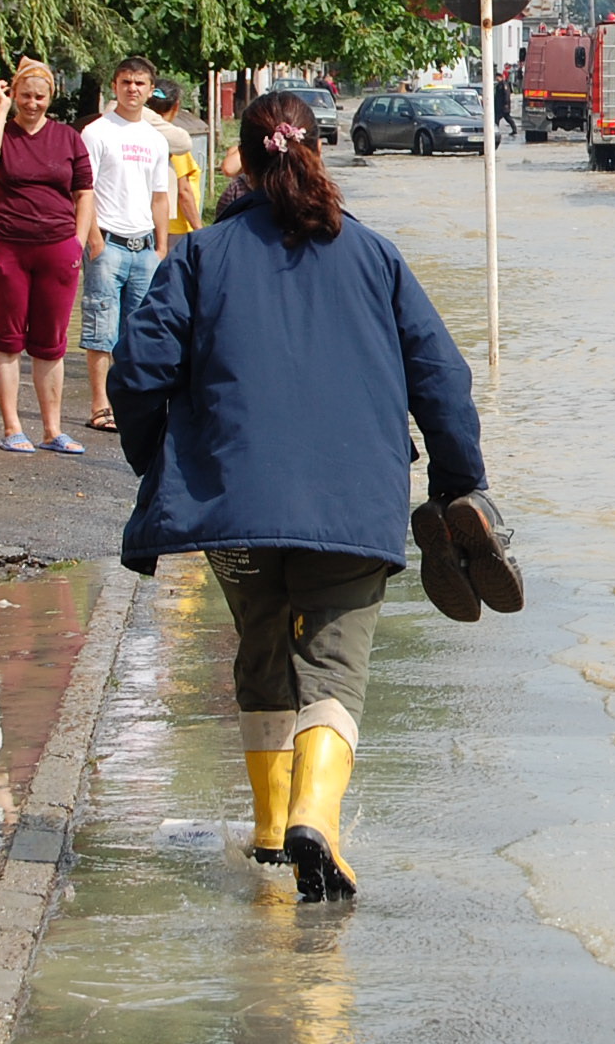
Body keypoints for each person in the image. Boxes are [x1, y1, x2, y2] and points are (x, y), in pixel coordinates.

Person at [110, 92, 513, 903]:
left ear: (248, 165)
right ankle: (315, 822)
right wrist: (456, 484)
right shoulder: (376, 256)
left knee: (262, 648)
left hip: (231, 504)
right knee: (333, 667)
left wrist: (162, 462)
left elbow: (136, 372)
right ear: (318, 152)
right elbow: (443, 379)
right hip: (351, 502)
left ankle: (267, 833)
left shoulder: (199, 255)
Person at [0, 59, 95, 454]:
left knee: (51, 342)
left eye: (40, 96)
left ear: (51, 97)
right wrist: (2, 106)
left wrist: (77, 241)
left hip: (57, 247)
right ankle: (12, 427)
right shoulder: (4, 133)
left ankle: (52, 429)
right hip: (8, 247)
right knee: (7, 339)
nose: (33, 102)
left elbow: (84, 193)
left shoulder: (68, 138)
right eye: (25, 95)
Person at [79, 57, 173, 434]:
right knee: (102, 327)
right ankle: (100, 403)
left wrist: (161, 247)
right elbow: (85, 191)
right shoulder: (98, 132)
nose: (133, 89)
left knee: (138, 331)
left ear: (151, 90)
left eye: (140, 83)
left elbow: (160, 197)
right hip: (108, 244)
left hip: (145, 246)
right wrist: (95, 240)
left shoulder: (154, 138)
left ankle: (129, 402)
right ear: (114, 86)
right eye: (126, 82)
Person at [149, 79, 201, 239]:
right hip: (174, 229)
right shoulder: (174, 142)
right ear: (176, 106)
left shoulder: (143, 133)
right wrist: (199, 229)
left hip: (149, 223)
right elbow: (184, 192)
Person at [494, 71, 515, 139]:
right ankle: (514, 130)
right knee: (504, 118)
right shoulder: (499, 85)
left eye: (497, 77)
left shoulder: (504, 84)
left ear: (500, 77)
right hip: (499, 106)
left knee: (503, 118)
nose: (496, 78)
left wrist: (506, 104)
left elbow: (506, 95)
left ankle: (495, 131)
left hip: (503, 106)